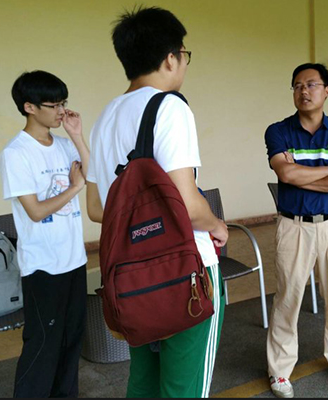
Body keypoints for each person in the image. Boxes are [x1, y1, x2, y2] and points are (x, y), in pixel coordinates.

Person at [85, 7, 228, 398]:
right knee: (184, 387)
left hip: (131, 275)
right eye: (184, 55)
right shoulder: (170, 106)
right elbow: (187, 204)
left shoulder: (104, 119)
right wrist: (217, 225)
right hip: (185, 271)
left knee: (145, 382)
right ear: (170, 58)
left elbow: (96, 209)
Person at [264, 63, 328, 398]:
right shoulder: (278, 131)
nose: (304, 91)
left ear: (326, 90)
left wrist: (301, 171)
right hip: (294, 226)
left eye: (312, 84)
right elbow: (286, 175)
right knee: (288, 298)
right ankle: (279, 370)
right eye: (297, 85)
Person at [1, 70, 89, 397]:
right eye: (54, 105)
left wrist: (77, 135)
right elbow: (36, 211)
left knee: (71, 339)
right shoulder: (16, 153)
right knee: (43, 344)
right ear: (29, 107)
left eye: (64, 103)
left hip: (74, 259)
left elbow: (94, 174)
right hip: (42, 265)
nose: (61, 111)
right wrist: (74, 188)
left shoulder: (65, 146)